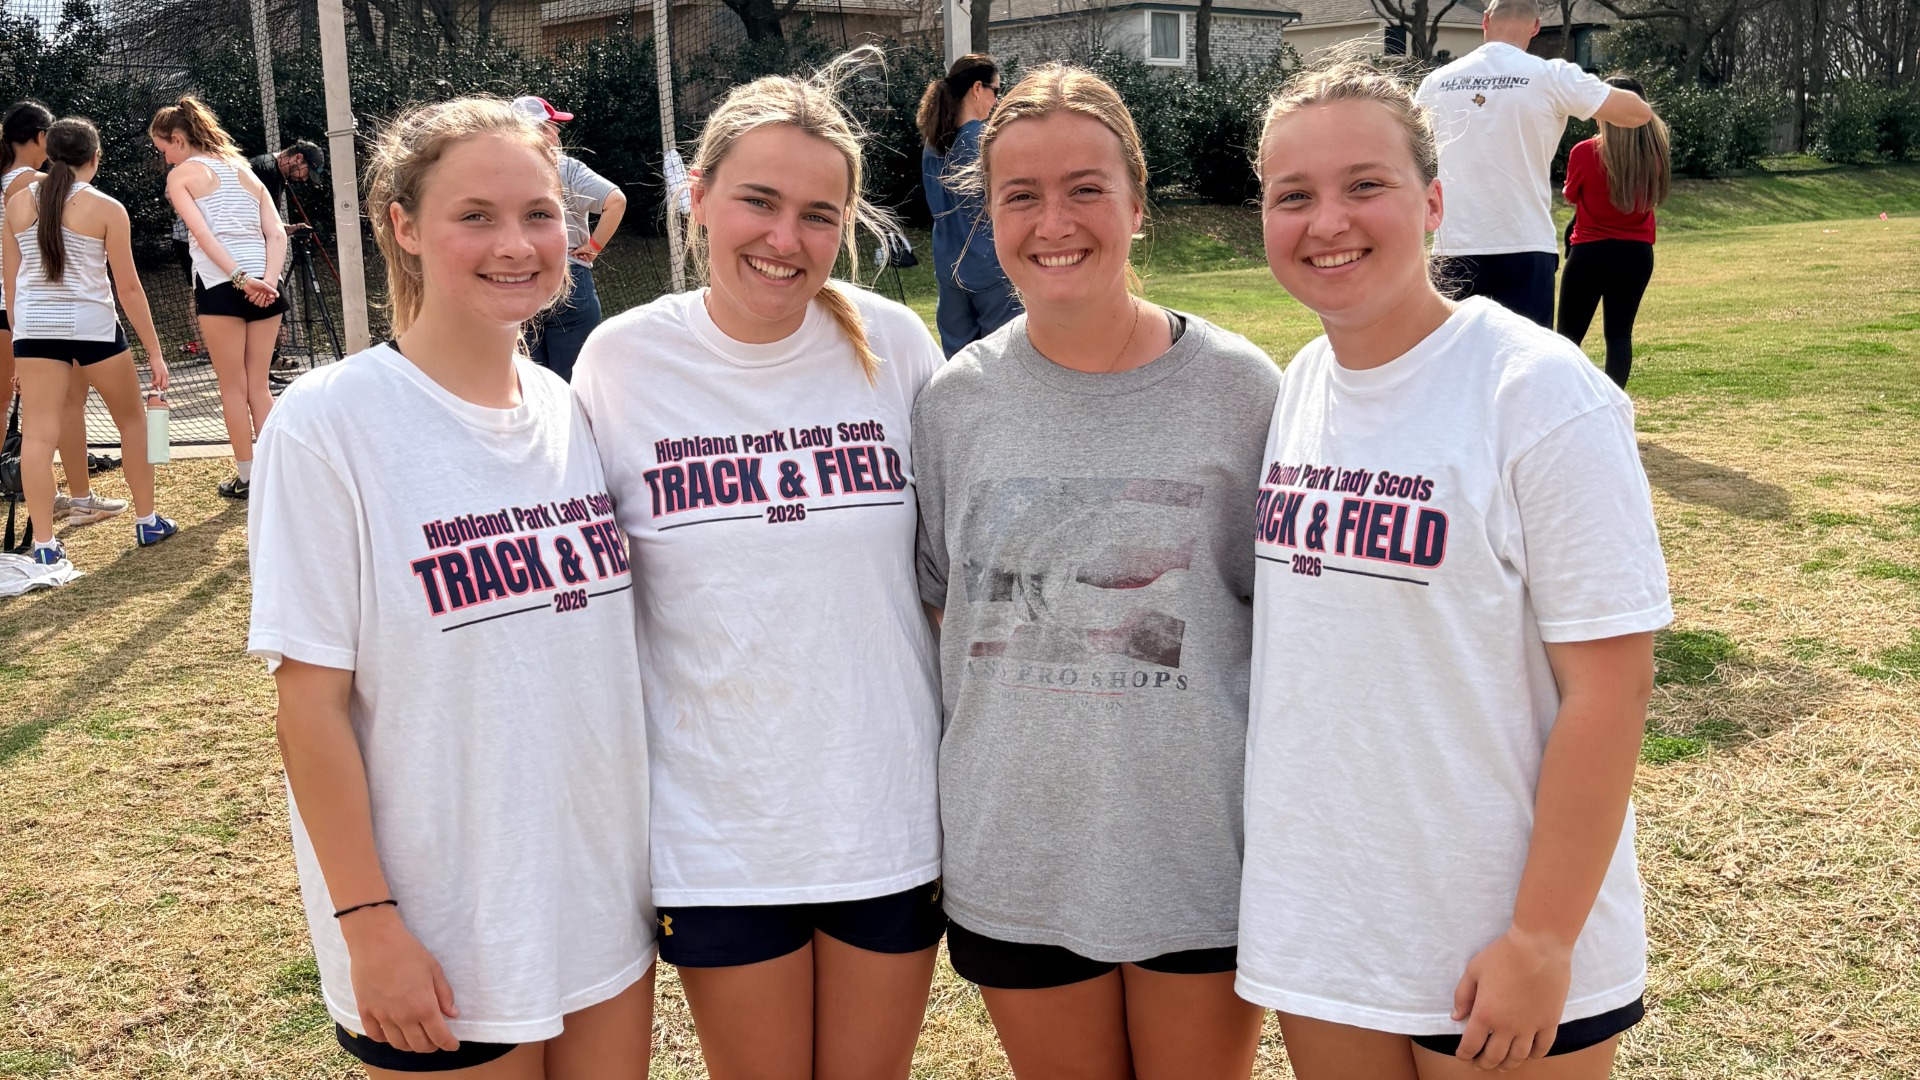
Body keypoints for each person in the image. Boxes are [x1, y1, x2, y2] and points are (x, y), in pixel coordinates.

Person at [1239, 56, 1672, 1079]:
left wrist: (1543, 939)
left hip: (1500, 936)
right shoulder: (1301, 383)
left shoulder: (1536, 392)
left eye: (1364, 186)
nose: (1327, 220)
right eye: (1291, 196)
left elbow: (1610, 688)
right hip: (1332, 932)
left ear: (1433, 202)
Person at [247, 96, 655, 1078]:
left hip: (600, 908)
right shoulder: (328, 424)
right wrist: (369, 923)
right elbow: (309, 704)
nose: (516, 244)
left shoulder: (571, 411)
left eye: (539, 212)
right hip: (441, 932)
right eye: (475, 215)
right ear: (404, 225)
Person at [571, 47, 945, 1080]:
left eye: (819, 215)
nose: (787, 239)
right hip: (717, 828)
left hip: (885, 812)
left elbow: (945, 579)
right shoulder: (622, 361)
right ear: (697, 196)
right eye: (759, 202)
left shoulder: (897, 345)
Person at [912, 64, 1279, 1080]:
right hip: (1020, 847)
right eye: (1020, 195)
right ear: (986, 218)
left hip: (1199, 850)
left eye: (1085, 188)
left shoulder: (1242, 391)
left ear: (1136, 203)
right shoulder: (954, 404)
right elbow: (946, 608)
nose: (1054, 220)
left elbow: (1280, 628)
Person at [3, 117, 175, 565]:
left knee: (38, 438)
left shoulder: (16, 205)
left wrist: (21, 349)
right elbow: (129, 287)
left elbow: (12, 282)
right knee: (135, 423)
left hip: (36, 332)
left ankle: (44, 546)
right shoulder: (107, 207)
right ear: (94, 158)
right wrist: (154, 352)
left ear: (50, 152)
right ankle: (147, 520)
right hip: (93, 329)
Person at [1415, 0, 1652, 327]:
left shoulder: (1436, 82)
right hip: (1525, 245)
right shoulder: (1551, 76)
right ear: (1536, 27)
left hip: (1455, 248)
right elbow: (1638, 113)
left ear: (1485, 21)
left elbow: (1411, 152)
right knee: (1525, 367)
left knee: (1454, 366)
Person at [151, 95, 288, 499]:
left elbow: (203, 234)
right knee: (259, 386)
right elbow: (276, 233)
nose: (166, 161)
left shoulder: (182, 177)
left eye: (164, 151)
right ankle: (275, 474)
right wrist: (269, 280)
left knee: (232, 385)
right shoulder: (244, 170)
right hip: (265, 287)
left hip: (221, 284)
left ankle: (248, 478)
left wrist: (240, 279)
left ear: (177, 139)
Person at [1, 100, 114, 527]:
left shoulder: (16, 182)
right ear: (41, 139)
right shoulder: (36, 185)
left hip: (23, 311)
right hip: (33, 308)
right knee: (57, 413)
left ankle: (74, 499)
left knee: (38, 415)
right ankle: (74, 501)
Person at [1558, 76, 1668, 389]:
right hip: (1636, 254)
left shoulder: (1584, 152)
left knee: (1567, 339)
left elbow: (1571, 194)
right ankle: (1614, 408)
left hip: (1590, 252)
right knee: (1619, 335)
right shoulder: (1654, 154)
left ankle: (1565, 405)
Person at [512, 96, 625, 382]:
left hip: (518, 279)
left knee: (528, 384)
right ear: (537, 130)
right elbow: (616, 201)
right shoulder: (567, 168)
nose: (558, 132)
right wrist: (594, 247)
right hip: (572, 276)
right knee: (575, 387)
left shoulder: (498, 174)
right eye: (551, 126)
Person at [918, 53, 1020, 356]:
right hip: (990, 267)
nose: (996, 101)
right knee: (1006, 362)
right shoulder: (983, 140)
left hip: (948, 268)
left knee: (957, 366)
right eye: (995, 91)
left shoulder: (933, 143)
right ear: (977, 88)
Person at [249, 138, 327, 208]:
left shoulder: (279, 173)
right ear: (298, 158)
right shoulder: (264, 170)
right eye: (307, 173)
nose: (304, 179)